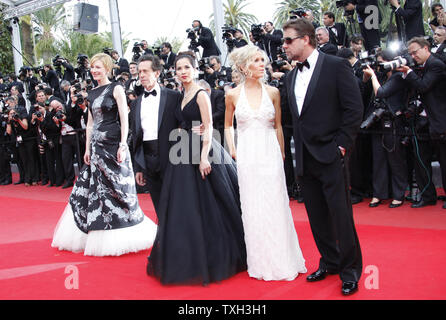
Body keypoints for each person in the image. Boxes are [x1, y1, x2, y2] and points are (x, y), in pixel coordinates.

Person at [146, 51, 247, 285]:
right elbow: (186, 123)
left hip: (201, 152)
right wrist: (182, 130)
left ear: (195, 70)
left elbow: (209, 126)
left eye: (186, 68)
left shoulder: (200, 93)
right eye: (178, 68)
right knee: (187, 207)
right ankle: (190, 253)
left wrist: (204, 158)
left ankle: (215, 256)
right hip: (182, 152)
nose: (182, 72)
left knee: (210, 206)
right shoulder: (182, 94)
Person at [282, 18, 363, 295]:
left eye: (288, 40)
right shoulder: (290, 77)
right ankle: (330, 261)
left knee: (341, 216)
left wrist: (340, 146)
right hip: (304, 158)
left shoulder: (336, 65)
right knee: (317, 217)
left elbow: (354, 110)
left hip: (331, 154)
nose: (284, 46)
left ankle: (351, 270)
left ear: (305, 39)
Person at [51, 53, 157, 256]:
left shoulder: (116, 88)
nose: (94, 70)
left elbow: (124, 118)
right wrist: (87, 149)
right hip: (97, 148)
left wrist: (123, 144)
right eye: (92, 67)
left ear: (107, 68)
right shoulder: (91, 93)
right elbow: (90, 124)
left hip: (114, 144)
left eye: (98, 67)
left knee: (118, 189)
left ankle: (124, 231)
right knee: (97, 190)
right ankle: (97, 232)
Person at [225, 45, 306, 281]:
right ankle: (260, 262)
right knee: (252, 207)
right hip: (247, 155)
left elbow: (278, 125)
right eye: (257, 60)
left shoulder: (273, 92)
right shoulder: (232, 94)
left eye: (263, 60)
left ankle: (283, 258)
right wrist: (232, 148)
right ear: (243, 66)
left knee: (276, 204)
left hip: (270, 153)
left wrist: (281, 154)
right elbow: (228, 125)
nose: (263, 64)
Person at [397, 37, 446, 209]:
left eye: (415, 52)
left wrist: (409, 73)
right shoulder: (420, 68)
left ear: (426, 48)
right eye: (410, 53)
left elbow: (424, 86)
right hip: (423, 121)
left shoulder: (436, 65)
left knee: (444, 160)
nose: (413, 56)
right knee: (420, 159)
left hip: (439, 121)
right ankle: (427, 195)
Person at [362, 50, 409, 208]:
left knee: (395, 159)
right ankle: (379, 193)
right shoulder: (381, 75)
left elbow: (381, 93)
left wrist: (374, 77)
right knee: (378, 159)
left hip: (393, 121)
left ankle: (398, 194)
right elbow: (367, 89)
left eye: (381, 62)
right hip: (377, 121)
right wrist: (369, 76)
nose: (379, 66)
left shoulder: (398, 77)